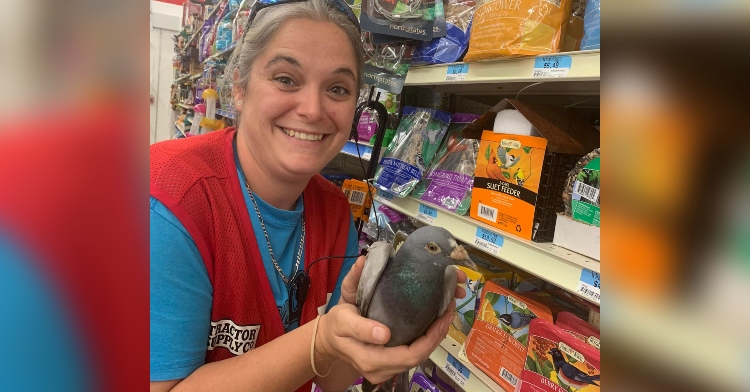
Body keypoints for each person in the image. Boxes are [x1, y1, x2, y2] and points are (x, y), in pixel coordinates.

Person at [149, 0, 465, 391]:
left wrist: (372, 330)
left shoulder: (333, 211)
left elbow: (331, 380)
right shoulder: (167, 199)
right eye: (285, 78)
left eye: (337, 88)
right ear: (240, 89)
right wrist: (320, 339)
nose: (313, 110)